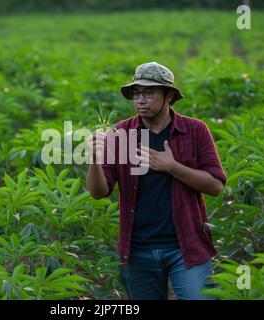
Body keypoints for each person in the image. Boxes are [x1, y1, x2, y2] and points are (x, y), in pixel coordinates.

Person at [86, 61, 227, 300]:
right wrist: (94, 159)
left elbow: (215, 186)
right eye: (136, 93)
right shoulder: (119, 135)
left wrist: (172, 167)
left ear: (169, 95)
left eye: (149, 92)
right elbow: (98, 192)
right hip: (137, 249)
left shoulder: (195, 130)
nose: (140, 99)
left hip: (186, 247)